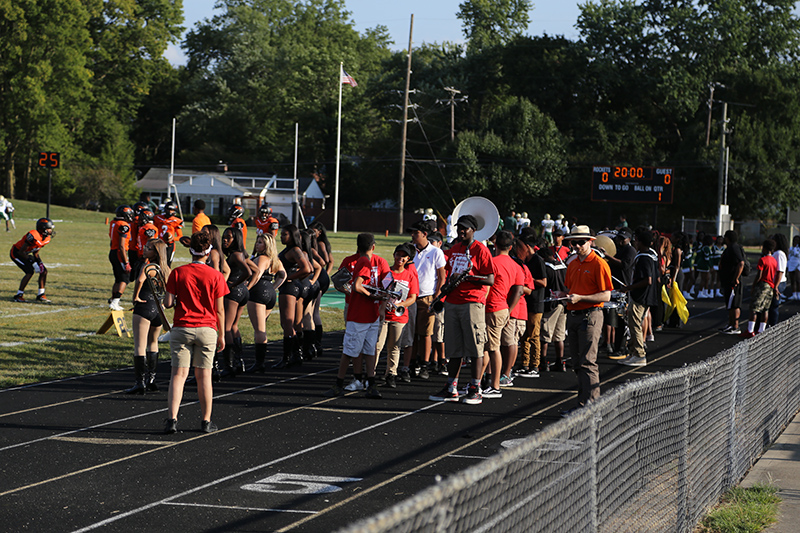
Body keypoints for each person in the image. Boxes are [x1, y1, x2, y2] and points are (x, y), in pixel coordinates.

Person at [163, 231, 228, 434]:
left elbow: (168, 303)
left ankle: (172, 419)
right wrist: (222, 334)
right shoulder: (216, 275)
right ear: (208, 253)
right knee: (204, 377)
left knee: (178, 376)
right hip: (207, 329)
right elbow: (219, 309)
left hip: (182, 326)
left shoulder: (178, 272)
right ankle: (206, 421)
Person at [428, 215, 495, 405]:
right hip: (453, 302)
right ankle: (451, 387)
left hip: (472, 302)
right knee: (454, 348)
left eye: (465, 228)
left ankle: (475, 388)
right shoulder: (455, 249)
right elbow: (448, 273)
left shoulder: (480, 250)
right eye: (460, 228)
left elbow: (490, 279)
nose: (462, 231)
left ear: (473, 230)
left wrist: (468, 278)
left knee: (475, 347)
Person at [325, 233, 390, 399]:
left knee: (369, 350)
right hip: (359, 315)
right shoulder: (364, 261)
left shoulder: (370, 261)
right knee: (349, 351)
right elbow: (357, 286)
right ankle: (339, 384)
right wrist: (373, 296)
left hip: (371, 315)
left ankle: (371, 383)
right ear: (373, 246)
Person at [560, 225, 613, 415]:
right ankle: (583, 404)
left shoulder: (598, 263)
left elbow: (606, 296)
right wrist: (562, 295)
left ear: (590, 241)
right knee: (577, 362)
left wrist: (580, 298)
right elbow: (571, 290)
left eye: (581, 242)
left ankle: (592, 407)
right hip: (574, 314)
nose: (577, 246)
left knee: (588, 362)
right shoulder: (573, 264)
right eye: (574, 242)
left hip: (590, 315)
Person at [480, 231, 523, 399]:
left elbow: (486, 287)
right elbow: (518, 290)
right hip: (503, 307)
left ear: (495, 244)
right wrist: (509, 310)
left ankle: (495, 385)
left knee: (491, 347)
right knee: (487, 346)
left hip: (491, 307)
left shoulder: (492, 261)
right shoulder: (516, 265)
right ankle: (479, 382)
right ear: (511, 247)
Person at [402, 220, 446, 382]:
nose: (412, 236)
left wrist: (436, 297)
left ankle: (425, 364)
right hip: (410, 297)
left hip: (427, 297)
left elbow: (441, 277)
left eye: (415, 233)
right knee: (411, 333)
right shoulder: (410, 250)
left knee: (426, 333)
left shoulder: (436, 252)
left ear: (424, 234)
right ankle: (412, 363)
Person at [127, 239, 171, 394]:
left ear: (156, 252)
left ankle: (140, 383)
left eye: (148, 248)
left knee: (139, 345)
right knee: (153, 343)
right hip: (158, 309)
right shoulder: (166, 268)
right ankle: (151, 379)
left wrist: (136, 297)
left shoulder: (149, 266)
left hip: (144, 306)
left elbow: (139, 280)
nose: (145, 249)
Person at [376, 243, 419, 387]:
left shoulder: (410, 274)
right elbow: (380, 291)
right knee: (377, 345)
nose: (400, 258)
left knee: (394, 347)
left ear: (408, 259)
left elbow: (413, 297)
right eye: (398, 254)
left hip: (399, 317)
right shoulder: (386, 272)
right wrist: (384, 301)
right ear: (394, 255)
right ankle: (370, 373)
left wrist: (399, 305)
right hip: (383, 314)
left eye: (403, 256)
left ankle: (391, 374)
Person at [220, 227, 261, 376]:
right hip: (242, 293)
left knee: (226, 327)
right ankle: (238, 361)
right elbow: (256, 271)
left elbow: (249, 272)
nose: (225, 239)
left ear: (236, 239)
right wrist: (246, 287)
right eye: (224, 236)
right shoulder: (241, 254)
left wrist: (233, 284)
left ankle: (229, 365)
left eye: (229, 237)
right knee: (234, 326)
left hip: (234, 293)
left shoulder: (236, 255)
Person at [618, 228, 658, 367]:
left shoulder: (644, 258)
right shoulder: (651, 255)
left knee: (634, 325)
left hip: (641, 296)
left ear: (640, 242)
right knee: (633, 324)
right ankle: (633, 353)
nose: (635, 242)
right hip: (645, 295)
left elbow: (648, 280)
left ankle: (640, 355)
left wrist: (628, 288)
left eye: (636, 240)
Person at [275, 224, 313, 368]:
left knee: (287, 324)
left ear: (292, 235)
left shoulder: (295, 250)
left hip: (290, 288)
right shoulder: (294, 249)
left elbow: (307, 268)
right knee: (295, 324)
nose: (281, 236)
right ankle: (297, 355)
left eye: (285, 234)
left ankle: (287, 358)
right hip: (296, 287)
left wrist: (289, 277)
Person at [247, 233, 286, 372]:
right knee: (261, 327)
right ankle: (260, 361)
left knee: (259, 330)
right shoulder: (275, 259)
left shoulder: (263, 258)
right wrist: (274, 287)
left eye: (260, 242)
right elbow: (283, 275)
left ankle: (259, 363)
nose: (257, 244)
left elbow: (257, 273)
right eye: (257, 242)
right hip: (269, 292)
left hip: (258, 292)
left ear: (267, 245)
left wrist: (248, 288)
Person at [515, 234, 547, 378]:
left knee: (534, 335)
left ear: (527, 247)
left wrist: (529, 279)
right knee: (524, 336)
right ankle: (524, 364)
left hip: (536, 303)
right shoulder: (525, 261)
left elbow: (544, 282)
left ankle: (535, 365)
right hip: (526, 303)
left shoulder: (538, 261)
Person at [537, 246, 568, 372]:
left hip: (551, 303)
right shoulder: (563, 266)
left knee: (545, 333)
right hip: (563, 303)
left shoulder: (546, 267)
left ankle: (543, 362)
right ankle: (560, 361)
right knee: (559, 335)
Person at [10, 217, 54, 303]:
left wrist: (39, 262)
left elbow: (36, 251)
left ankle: (41, 294)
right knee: (29, 271)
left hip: (25, 253)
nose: (50, 231)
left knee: (43, 271)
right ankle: (19, 295)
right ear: (43, 229)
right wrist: (33, 262)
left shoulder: (46, 238)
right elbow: (21, 252)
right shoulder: (33, 235)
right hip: (16, 253)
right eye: (49, 229)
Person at [740, 239, 778, 338]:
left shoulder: (762, 260)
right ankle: (761, 330)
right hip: (770, 286)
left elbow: (759, 275)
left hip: (762, 285)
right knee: (765, 309)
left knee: (754, 308)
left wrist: (753, 286)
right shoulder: (774, 260)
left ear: (765, 248)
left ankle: (750, 330)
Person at [309, 221, 334, 356]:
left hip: (319, 277)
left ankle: (316, 344)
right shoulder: (318, 243)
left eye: (314, 232)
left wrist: (322, 273)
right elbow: (331, 260)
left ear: (319, 233)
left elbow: (325, 261)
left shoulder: (319, 244)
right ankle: (315, 344)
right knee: (313, 313)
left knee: (312, 313)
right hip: (321, 277)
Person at [718, 230, 747, 335]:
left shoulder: (734, 248)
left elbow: (741, 263)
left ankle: (735, 326)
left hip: (733, 281)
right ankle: (730, 324)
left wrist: (736, 278)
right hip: (728, 280)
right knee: (730, 303)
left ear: (728, 238)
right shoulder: (730, 248)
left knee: (734, 304)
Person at [108, 205, 135, 310]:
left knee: (118, 279)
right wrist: (126, 262)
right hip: (119, 253)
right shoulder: (123, 225)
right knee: (124, 279)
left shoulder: (114, 223)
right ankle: (115, 302)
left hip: (113, 251)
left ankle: (113, 299)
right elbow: (122, 246)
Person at [767, 233, 788, 326]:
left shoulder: (779, 254)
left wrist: (775, 286)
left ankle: (773, 325)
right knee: (771, 306)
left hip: (778, 282)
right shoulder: (777, 253)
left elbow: (780, 271)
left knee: (773, 306)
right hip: (776, 282)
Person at [155, 200, 183, 266]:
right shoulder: (158, 218)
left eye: (172, 210)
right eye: (168, 209)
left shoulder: (176, 221)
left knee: (167, 265)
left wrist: (172, 238)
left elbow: (180, 236)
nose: (170, 211)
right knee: (157, 263)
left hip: (169, 245)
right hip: (159, 243)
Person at [788, 235, 800, 300]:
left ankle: (798, 294)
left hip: (798, 265)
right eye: (794, 240)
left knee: (798, 280)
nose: (795, 242)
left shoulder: (798, 249)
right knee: (792, 280)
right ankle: (794, 294)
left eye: (797, 240)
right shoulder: (791, 248)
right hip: (791, 264)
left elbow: (797, 255)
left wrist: (795, 248)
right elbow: (789, 256)